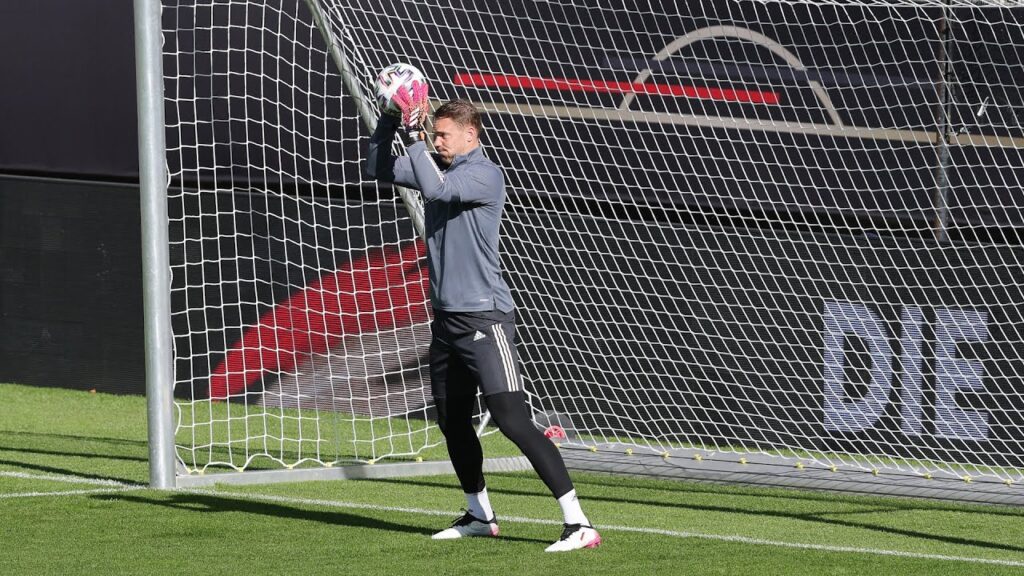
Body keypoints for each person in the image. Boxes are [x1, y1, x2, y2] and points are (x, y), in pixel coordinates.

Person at [365, 84, 601, 553]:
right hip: (446, 321)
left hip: (485, 318)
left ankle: (579, 524)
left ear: (471, 135)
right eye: (434, 134)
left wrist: (413, 133)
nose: (438, 141)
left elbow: (435, 187)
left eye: (445, 134)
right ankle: (480, 514)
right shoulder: (442, 164)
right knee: (452, 421)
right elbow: (378, 168)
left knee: (513, 419)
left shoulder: (484, 174)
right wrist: (392, 117)